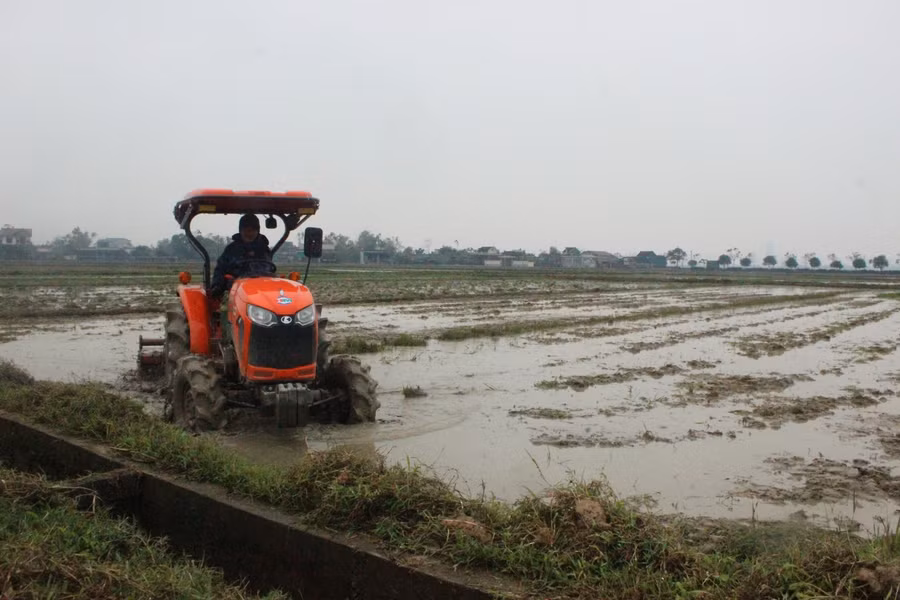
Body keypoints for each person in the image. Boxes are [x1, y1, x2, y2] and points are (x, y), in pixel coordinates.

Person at [210, 214, 272, 298]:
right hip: (235, 290)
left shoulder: (263, 248)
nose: (249, 233)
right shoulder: (231, 249)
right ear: (241, 231)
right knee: (224, 306)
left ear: (257, 231)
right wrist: (217, 285)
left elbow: (269, 268)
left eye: (253, 230)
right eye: (247, 230)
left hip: (262, 288)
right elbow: (220, 269)